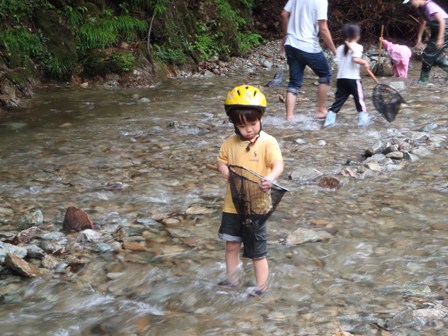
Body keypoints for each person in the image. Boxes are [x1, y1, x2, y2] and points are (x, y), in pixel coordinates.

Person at [216, 85, 284, 297]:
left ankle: (261, 288)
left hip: (258, 206)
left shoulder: (268, 142)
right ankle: (232, 281)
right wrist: (225, 171)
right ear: (234, 124)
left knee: (257, 252)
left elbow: (278, 165)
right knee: (232, 245)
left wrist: (270, 179)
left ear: (261, 118)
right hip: (232, 206)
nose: (249, 129)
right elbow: (221, 161)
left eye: (253, 123)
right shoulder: (229, 143)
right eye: (243, 125)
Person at [281, 0, 337, 121]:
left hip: (291, 44)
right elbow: (323, 29)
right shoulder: (321, 1)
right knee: (325, 74)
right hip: (308, 46)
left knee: (294, 83)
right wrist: (335, 51)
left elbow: (284, 14)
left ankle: (289, 117)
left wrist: (285, 36)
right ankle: (320, 109)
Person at [324, 23, 370, 128]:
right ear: (357, 35)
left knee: (339, 100)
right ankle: (363, 122)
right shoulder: (358, 47)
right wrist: (365, 63)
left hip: (341, 79)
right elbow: (355, 59)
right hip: (353, 79)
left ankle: (329, 120)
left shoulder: (340, 48)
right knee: (360, 100)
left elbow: (337, 61)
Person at [404, 0, 448, 84]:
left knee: (428, 55)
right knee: (433, 55)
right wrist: (419, 39)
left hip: (445, 28)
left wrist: (440, 38)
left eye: (410, 2)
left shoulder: (429, 6)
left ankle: (423, 81)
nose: (410, 5)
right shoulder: (420, 9)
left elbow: (442, 21)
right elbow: (422, 23)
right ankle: (423, 80)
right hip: (437, 29)